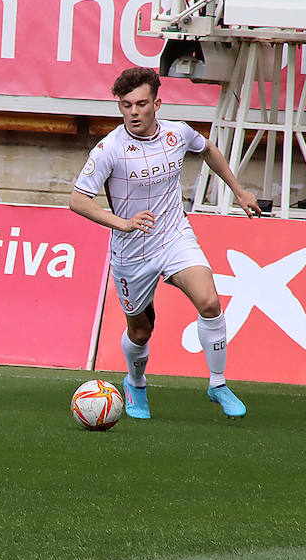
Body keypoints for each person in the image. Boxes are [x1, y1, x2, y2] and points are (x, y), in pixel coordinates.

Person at [68, 66, 260, 420]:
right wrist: (122, 223)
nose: (133, 112)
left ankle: (217, 384)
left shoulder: (178, 134)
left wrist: (238, 189)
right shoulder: (109, 148)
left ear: (157, 103)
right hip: (131, 251)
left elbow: (208, 150)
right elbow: (78, 200)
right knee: (140, 331)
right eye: (126, 106)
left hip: (174, 237)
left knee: (210, 301)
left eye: (140, 104)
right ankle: (136, 383)